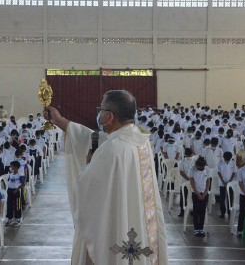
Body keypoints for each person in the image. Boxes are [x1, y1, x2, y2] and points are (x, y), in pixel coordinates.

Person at [46, 90, 168, 264]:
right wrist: (61, 122)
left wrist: (89, 163)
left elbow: (85, 189)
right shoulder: (139, 140)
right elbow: (96, 138)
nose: (99, 113)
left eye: (101, 109)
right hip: (137, 222)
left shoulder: (112, 149)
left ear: (109, 116)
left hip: (114, 229)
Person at [189, 157, 210, 237]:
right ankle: (196, 229)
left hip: (204, 193)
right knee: (196, 211)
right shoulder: (192, 169)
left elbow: (208, 181)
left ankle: (201, 228)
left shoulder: (207, 169)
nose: (201, 169)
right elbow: (192, 182)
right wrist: (197, 193)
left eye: (203, 168)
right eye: (200, 168)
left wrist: (205, 193)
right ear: (196, 165)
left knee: (202, 211)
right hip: (195, 193)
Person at [217, 151, 237, 218]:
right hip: (222, 183)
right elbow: (219, 172)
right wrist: (223, 181)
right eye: (226, 158)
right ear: (223, 157)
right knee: (222, 199)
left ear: (231, 158)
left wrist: (229, 181)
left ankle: (229, 213)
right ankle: (222, 212)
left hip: (230, 183)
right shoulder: (220, 163)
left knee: (230, 198)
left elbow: (234, 173)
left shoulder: (233, 163)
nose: (227, 160)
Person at [6, 161, 24, 227]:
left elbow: (23, 183)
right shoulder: (10, 173)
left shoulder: (20, 174)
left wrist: (17, 189)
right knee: (9, 204)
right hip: (10, 190)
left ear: (16, 167)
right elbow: (9, 181)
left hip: (16, 191)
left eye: (11, 166)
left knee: (17, 205)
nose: (10, 167)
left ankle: (18, 219)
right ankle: (9, 218)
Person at [178, 148, 195, 217]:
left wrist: (188, 179)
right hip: (192, 182)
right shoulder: (194, 161)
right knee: (192, 197)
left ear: (185, 154)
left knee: (183, 197)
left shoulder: (181, 161)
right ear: (192, 154)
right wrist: (190, 179)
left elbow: (181, 172)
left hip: (185, 182)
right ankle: (191, 211)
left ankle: (182, 211)